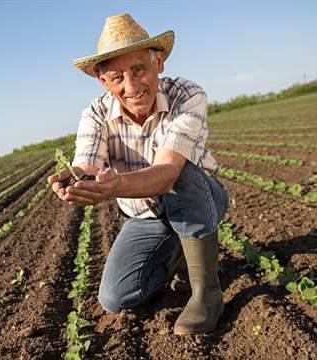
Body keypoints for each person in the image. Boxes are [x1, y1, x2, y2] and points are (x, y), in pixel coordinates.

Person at [47, 13, 228, 335]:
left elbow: (168, 171)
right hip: (146, 216)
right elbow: (88, 162)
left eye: (139, 70)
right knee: (117, 297)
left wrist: (115, 185)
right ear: (103, 82)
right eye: (117, 78)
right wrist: (77, 179)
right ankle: (179, 255)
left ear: (158, 62)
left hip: (199, 199)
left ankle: (207, 293)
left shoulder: (186, 95)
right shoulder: (95, 113)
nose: (131, 87)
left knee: (182, 173)